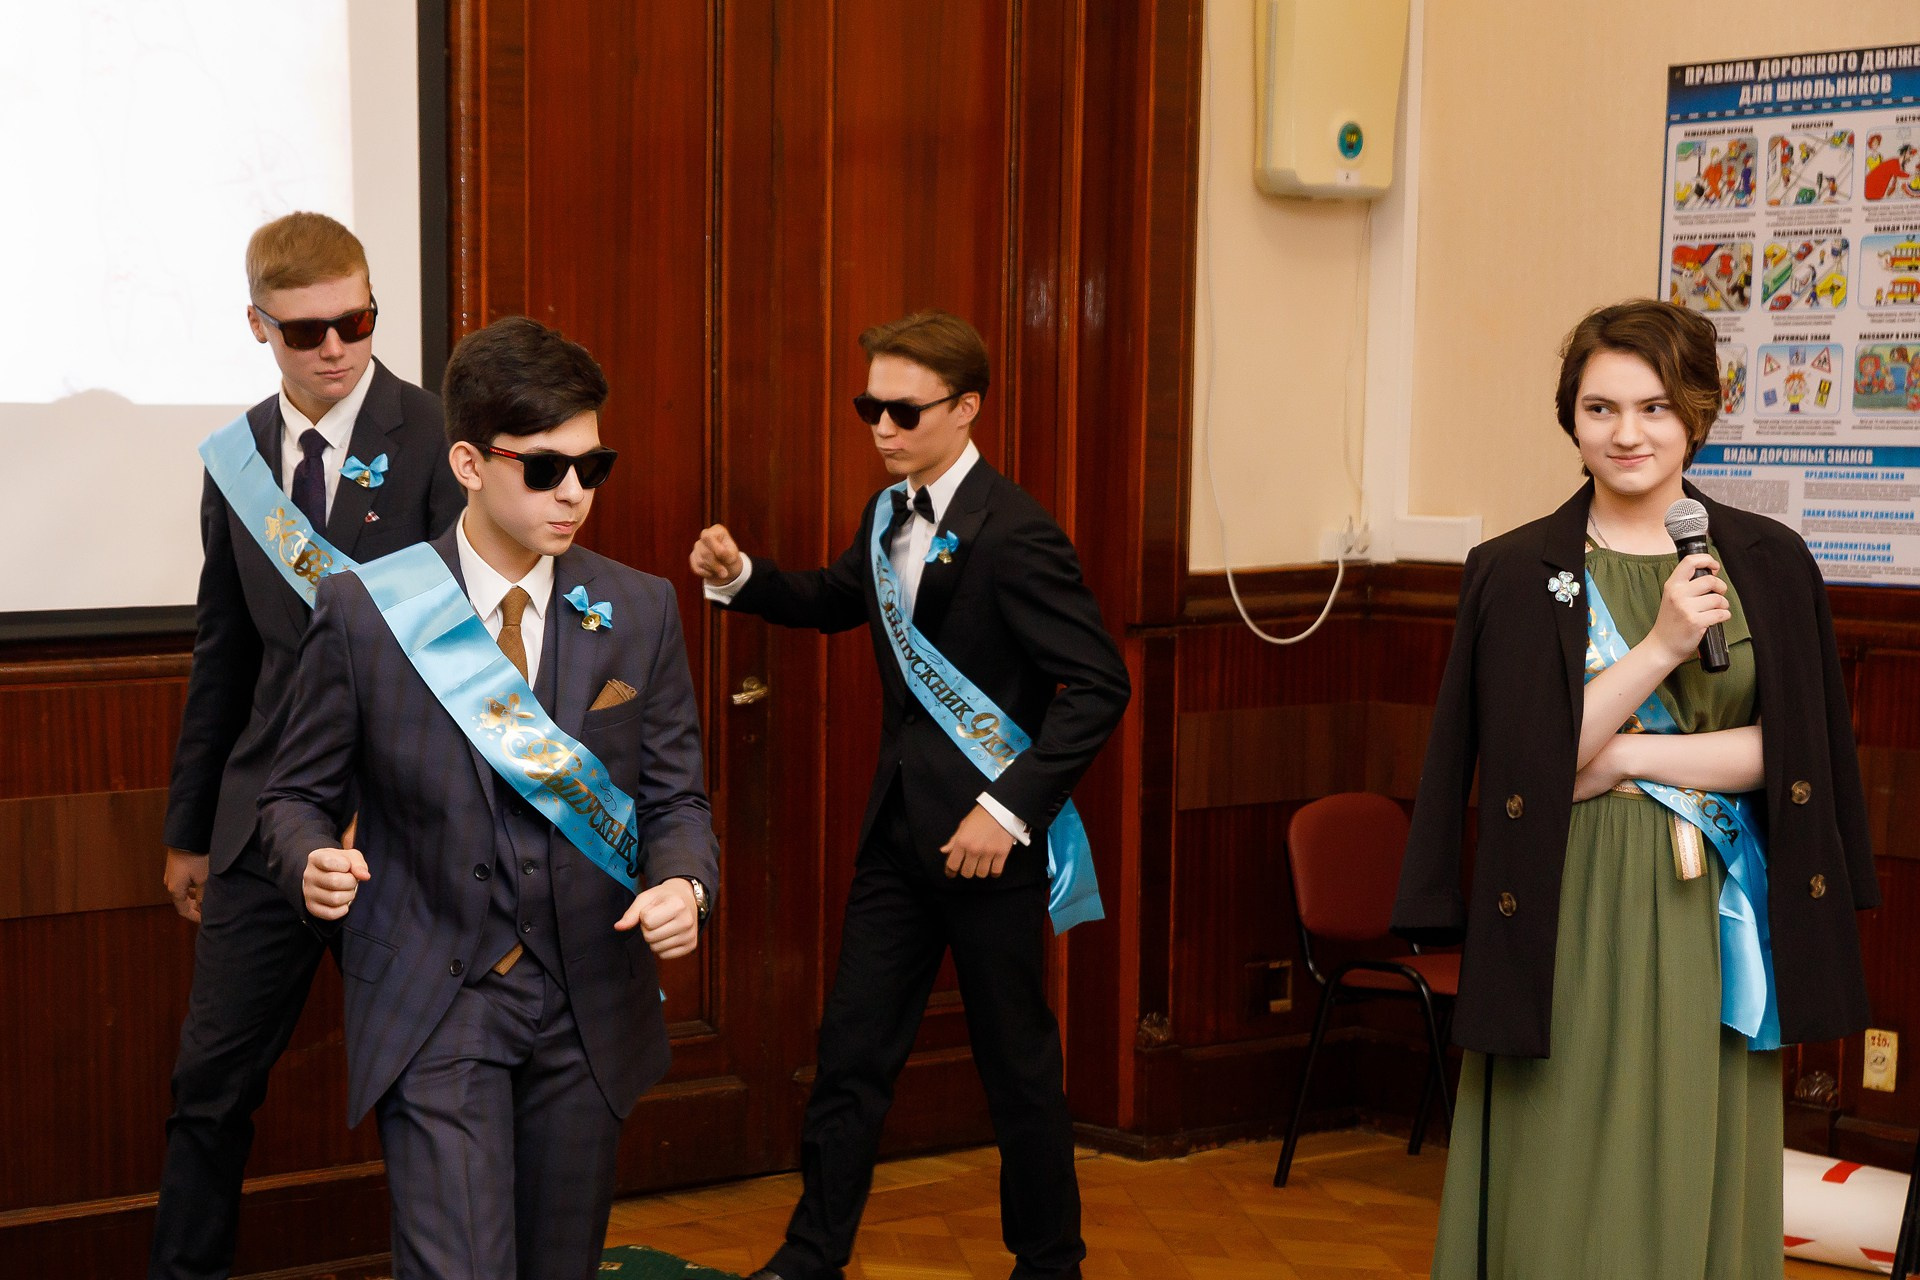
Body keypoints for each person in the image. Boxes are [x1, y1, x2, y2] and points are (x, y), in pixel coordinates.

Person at [1394, 299, 1878, 1277]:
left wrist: (1622, 759)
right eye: (1601, 408)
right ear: (1570, 419)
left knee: (1692, 1145)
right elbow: (1529, 768)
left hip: (1716, 909)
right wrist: (1658, 647)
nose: (1628, 433)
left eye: (1654, 407)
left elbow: (1794, 756)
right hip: (1567, 897)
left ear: (1698, 412)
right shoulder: (1523, 572)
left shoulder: (1767, 562)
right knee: (1564, 1154)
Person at [255, 316, 717, 1279]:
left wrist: (685, 884)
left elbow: (677, 801)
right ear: (468, 462)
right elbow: (292, 795)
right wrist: (310, 859)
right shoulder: (369, 610)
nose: (575, 494)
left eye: (593, 467)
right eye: (545, 470)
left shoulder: (640, 609)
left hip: (588, 997)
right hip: (437, 995)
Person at [690, 310, 1130, 1280]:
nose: (882, 428)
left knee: (1018, 1070)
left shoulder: (1018, 532)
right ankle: (811, 1256)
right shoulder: (888, 510)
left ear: (966, 407)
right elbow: (839, 598)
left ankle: (1050, 1262)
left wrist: (1007, 810)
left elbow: (1101, 685)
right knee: (851, 1054)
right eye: (869, 408)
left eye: (903, 410)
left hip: (988, 848)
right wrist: (744, 578)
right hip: (898, 837)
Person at [153, 212, 464, 1280]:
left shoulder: (439, 437)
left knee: (430, 1082)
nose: (336, 347)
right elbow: (224, 652)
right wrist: (192, 827)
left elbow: (468, 648)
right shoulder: (238, 456)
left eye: (357, 322)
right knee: (209, 1087)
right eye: (305, 331)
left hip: (404, 823)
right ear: (258, 326)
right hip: (262, 824)